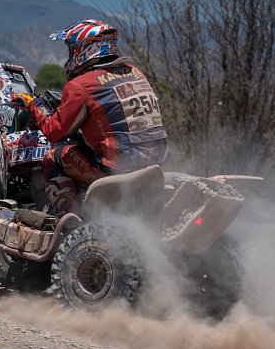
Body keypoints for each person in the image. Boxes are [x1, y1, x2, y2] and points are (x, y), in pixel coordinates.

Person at [17, 19, 168, 216]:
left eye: (72, 49)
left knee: (52, 157)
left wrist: (34, 104)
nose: (71, 55)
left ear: (84, 49)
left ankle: (65, 218)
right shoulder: (135, 73)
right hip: (155, 161)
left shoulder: (81, 85)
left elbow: (53, 131)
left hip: (118, 167)